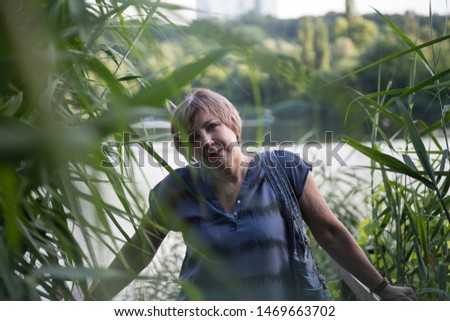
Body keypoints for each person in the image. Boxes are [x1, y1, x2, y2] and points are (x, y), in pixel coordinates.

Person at [90, 88, 415, 301]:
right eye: (192, 137)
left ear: (233, 125)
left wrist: (382, 289)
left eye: (212, 126)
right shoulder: (177, 190)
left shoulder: (284, 169)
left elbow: (330, 233)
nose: (204, 140)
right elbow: (138, 252)